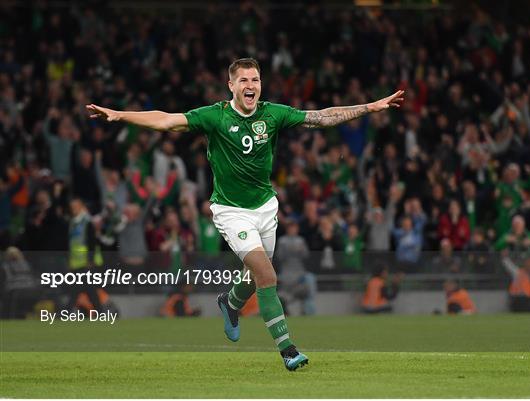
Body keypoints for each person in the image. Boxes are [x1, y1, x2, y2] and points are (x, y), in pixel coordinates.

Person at [87, 57, 404, 371]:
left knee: (254, 278)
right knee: (267, 275)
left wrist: (367, 107)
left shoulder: (272, 113)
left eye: (255, 80)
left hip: (266, 208)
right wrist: (119, 115)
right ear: (231, 86)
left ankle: (230, 302)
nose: (250, 85)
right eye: (244, 81)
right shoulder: (215, 116)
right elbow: (166, 120)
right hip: (231, 212)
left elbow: (320, 118)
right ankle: (287, 349)